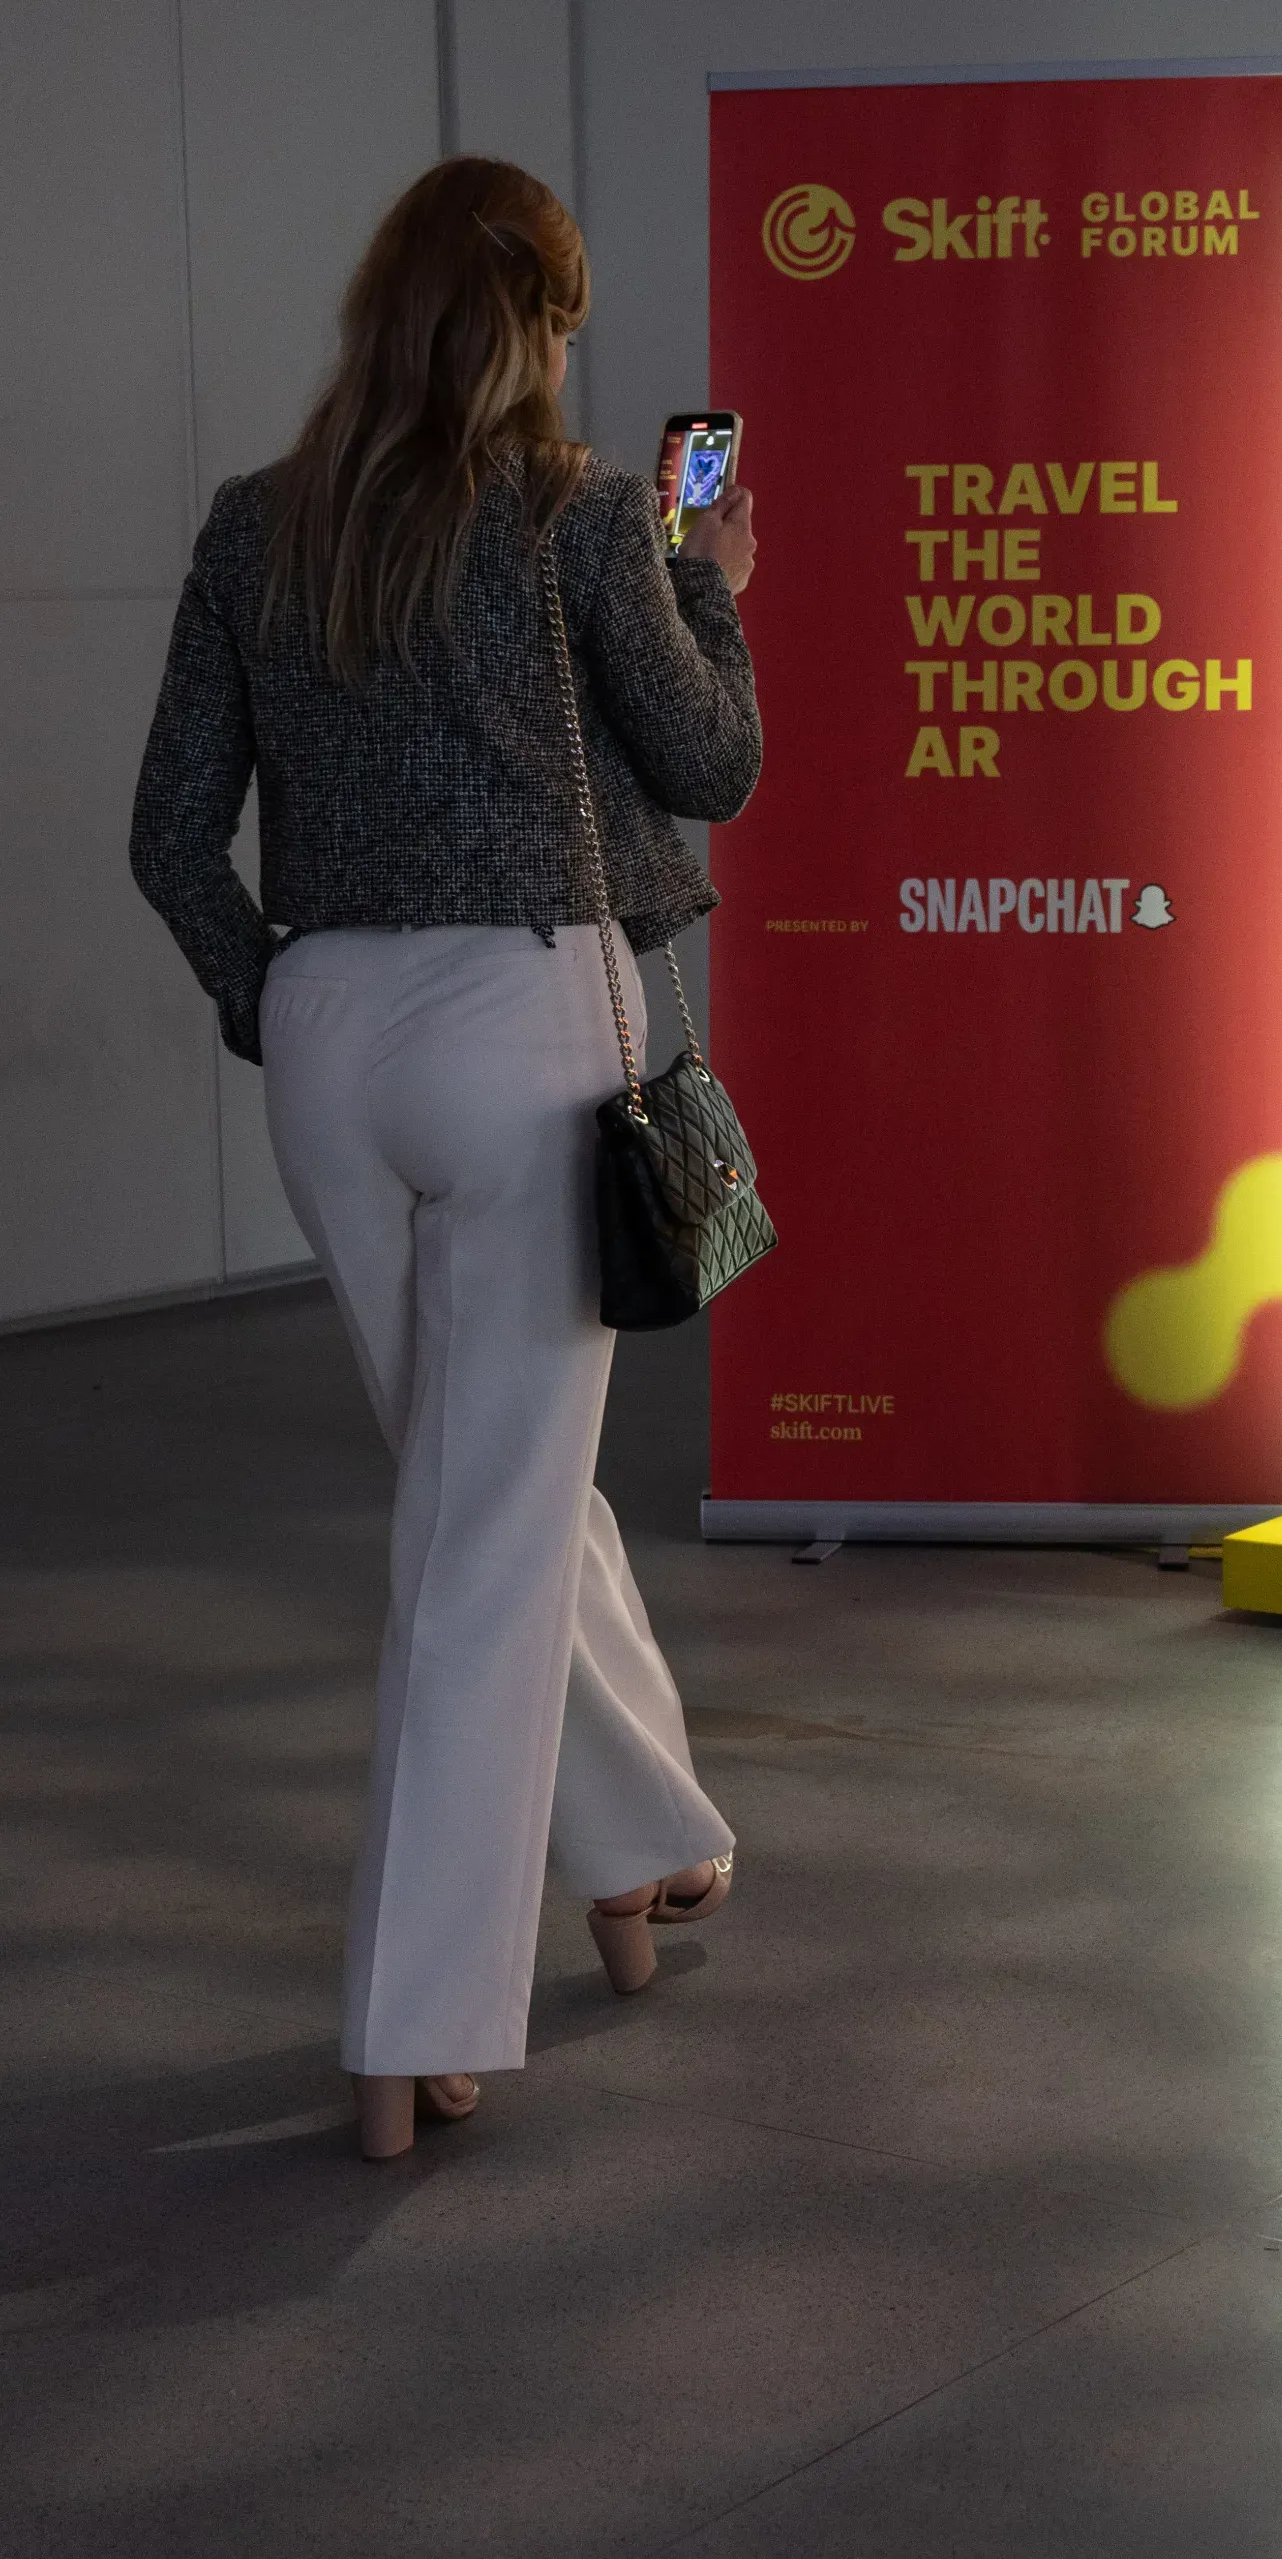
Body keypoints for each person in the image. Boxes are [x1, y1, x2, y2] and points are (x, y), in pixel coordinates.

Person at [130, 157, 760, 2159]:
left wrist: (274, 1002)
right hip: (523, 1033)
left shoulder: (253, 529)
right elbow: (711, 765)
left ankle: (649, 1835)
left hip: (330, 1040)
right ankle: (411, 2022)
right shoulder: (581, 516)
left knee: (499, 1486)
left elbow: (166, 841)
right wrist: (714, 581)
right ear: (539, 328)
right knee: (485, 1534)